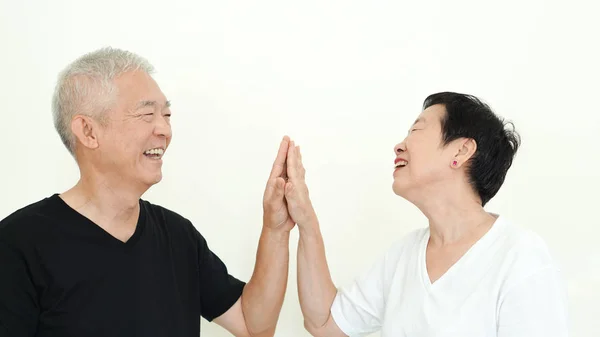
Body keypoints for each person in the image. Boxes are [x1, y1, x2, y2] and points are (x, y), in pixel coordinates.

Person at [0, 47, 296, 337]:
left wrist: (276, 229)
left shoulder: (178, 235)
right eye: (147, 114)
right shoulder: (18, 244)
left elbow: (254, 326)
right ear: (88, 132)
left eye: (166, 115)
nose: (164, 130)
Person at [283, 92, 569, 336]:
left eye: (416, 130)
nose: (400, 145)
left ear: (461, 150)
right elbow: (324, 323)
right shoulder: (403, 256)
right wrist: (306, 221)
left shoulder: (520, 257)